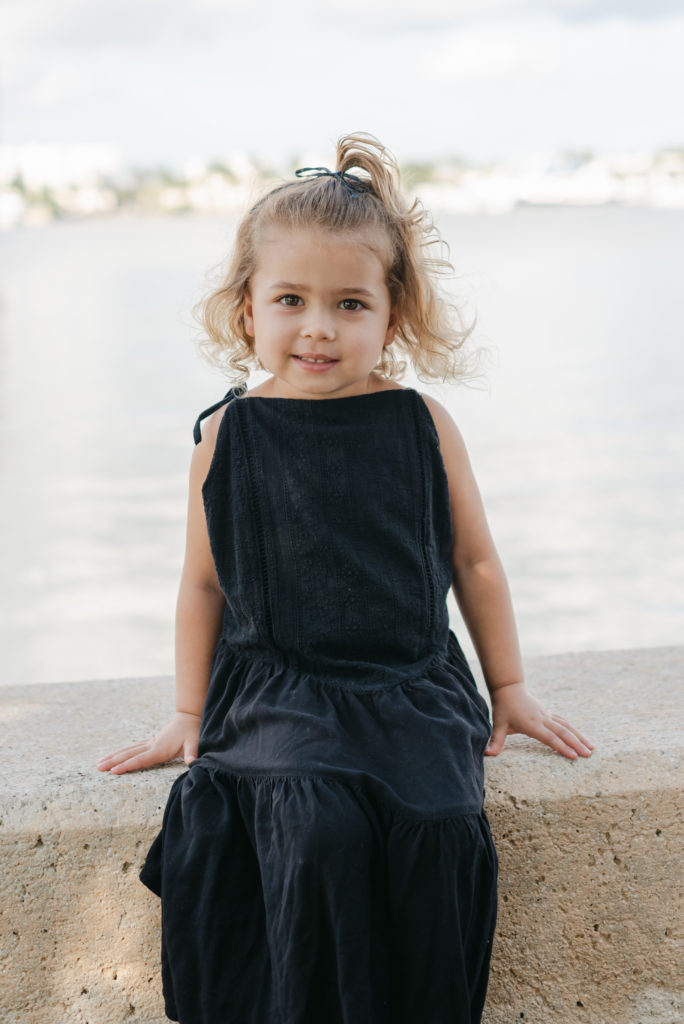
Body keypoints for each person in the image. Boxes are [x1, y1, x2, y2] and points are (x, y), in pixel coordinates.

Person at [97, 132, 593, 1024]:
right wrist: (185, 710)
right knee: (311, 826)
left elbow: (474, 560)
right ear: (247, 311)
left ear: (390, 318)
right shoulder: (230, 437)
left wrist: (509, 687)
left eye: (349, 303)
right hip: (280, 685)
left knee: (441, 822)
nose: (318, 326)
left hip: (409, 681)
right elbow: (202, 585)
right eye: (291, 299)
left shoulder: (421, 424)